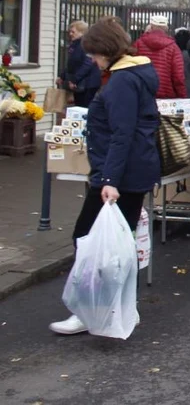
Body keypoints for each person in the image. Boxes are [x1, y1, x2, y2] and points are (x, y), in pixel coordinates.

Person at [49, 17, 161, 336]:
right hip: (134, 169)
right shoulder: (137, 72)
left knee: (87, 239)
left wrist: (109, 178)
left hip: (119, 174)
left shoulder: (123, 79)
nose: (93, 60)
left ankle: (93, 309)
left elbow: (121, 132)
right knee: (118, 243)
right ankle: (123, 306)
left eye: (95, 54)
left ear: (106, 50)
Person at [134, 15, 187, 99]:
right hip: (166, 95)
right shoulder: (173, 47)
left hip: (142, 92)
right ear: (166, 28)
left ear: (151, 27)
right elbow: (178, 76)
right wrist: (182, 95)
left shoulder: (138, 44)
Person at [58, 20, 100, 108]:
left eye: (73, 32)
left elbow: (87, 64)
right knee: (79, 108)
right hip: (80, 83)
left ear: (82, 32)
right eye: (70, 31)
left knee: (84, 109)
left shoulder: (86, 44)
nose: (70, 34)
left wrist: (74, 80)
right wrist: (62, 76)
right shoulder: (74, 45)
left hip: (88, 84)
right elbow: (72, 63)